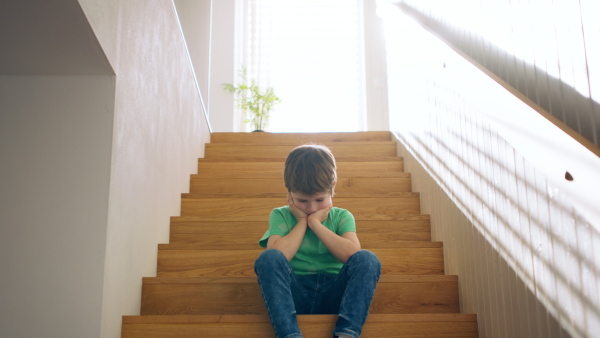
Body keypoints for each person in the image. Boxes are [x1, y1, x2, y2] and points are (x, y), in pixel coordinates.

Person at [254, 144, 381, 338]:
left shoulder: (342, 217)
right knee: (268, 258)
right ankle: (289, 334)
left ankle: (347, 332)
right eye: (302, 201)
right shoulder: (280, 215)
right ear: (289, 192)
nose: (311, 208)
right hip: (294, 293)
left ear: (333, 188)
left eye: (320, 200)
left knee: (367, 259)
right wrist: (300, 222)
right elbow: (279, 255)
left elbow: (351, 254)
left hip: (335, 293)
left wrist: (315, 224)